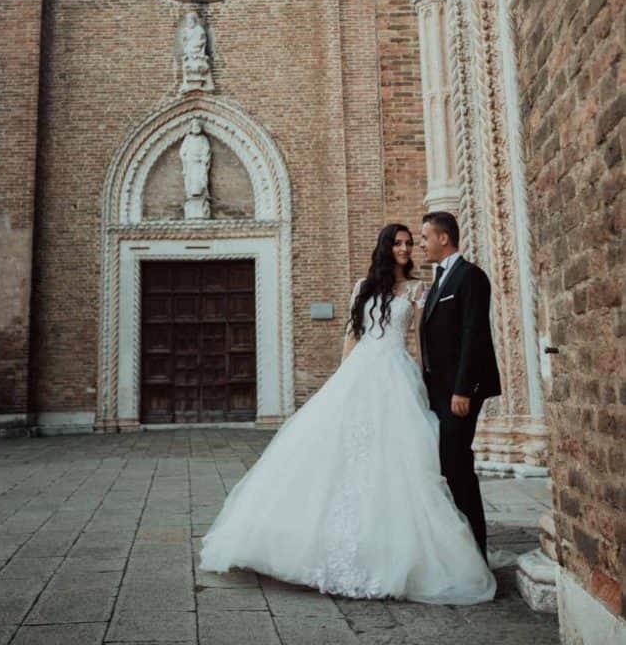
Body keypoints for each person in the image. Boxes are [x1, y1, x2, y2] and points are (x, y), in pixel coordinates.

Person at [199, 223, 496, 604]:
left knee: (396, 458)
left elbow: (422, 340)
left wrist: (428, 381)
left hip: (396, 375)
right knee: (337, 452)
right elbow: (352, 336)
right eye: (399, 243)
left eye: (409, 243)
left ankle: (389, 541)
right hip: (360, 372)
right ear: (385, 247)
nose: (405, 249)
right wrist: (340, 380)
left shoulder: (419, 290)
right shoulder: (363, 287)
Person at [419, 212, 501, 560]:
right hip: (438, 391)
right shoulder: (438, 281)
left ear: (443, 238)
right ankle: (462, 545)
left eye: (425, 237)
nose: (421, 244)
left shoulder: (471, 277)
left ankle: (477, 548)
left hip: (459, 391)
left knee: (456, 464)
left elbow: (474, 335)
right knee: (448, 463)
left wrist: (463, 389)